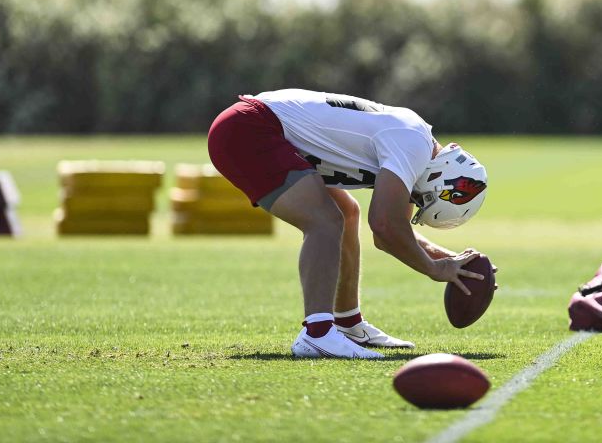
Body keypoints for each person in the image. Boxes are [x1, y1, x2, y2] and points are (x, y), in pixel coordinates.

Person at [206, 88, 492, 359]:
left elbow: (397, 229)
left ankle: (348, 325)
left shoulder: (417, 146)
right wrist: (433, 268)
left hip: (260, 127)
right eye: (421, 199)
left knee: (345, 214)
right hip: (251, 129)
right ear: (439, 182)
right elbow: (384, 227)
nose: (415, 201)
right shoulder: (414, 145)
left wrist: (452, 261)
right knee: (324, 222)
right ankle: (317, 334)